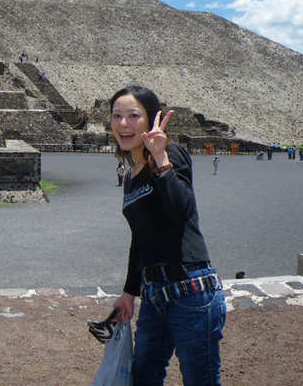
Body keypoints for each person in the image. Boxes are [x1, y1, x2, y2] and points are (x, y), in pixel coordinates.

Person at [108, 84, 226, 385]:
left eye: (134, 115)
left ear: (151, 119)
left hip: (191, 290)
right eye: (116, 116)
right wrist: (129, 292)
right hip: (154, 294)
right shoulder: (131, 176)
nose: (124, 124)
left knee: (200, 380)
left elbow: (182, 209)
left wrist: (160, 158)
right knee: (144, 376)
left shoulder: (172, 154)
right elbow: (140, 238)